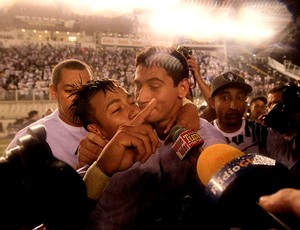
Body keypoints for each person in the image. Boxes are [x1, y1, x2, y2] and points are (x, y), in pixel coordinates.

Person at [75, 46, 227, 229]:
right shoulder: (113, 145)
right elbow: (65, 213)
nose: (141, 98)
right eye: (138, 86)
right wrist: (100, 169)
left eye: (154, 86)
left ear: (183, 88)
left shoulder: (205, 141)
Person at [4, 58, 94, 169]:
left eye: (86, 90)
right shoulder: (30, 139)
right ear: (53, 92)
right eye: (70, 90)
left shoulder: (107, 128)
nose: (80, 98)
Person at [209, 71, 300, 175]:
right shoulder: (202, 137)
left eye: (239, 98)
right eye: (225, 98)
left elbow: (292, 174)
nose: (233, 106)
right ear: (212, 102)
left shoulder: (266, 136)